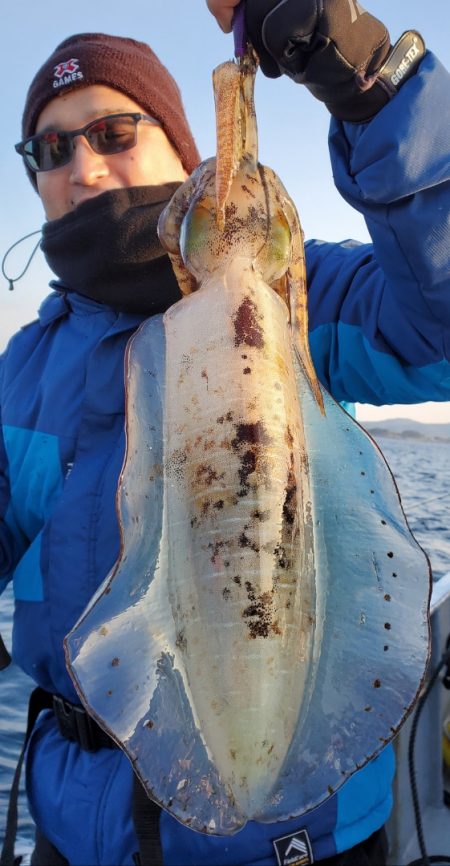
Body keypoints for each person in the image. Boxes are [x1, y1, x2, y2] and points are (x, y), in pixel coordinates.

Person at [0, 0, 448, 862]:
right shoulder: (24, 366)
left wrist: (367, 81)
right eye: (49, 149)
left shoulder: (299, 304)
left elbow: (441, 322)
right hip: (71, 823)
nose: (81, 167)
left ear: (183, 149)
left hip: (290, 838)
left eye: (113, 131)